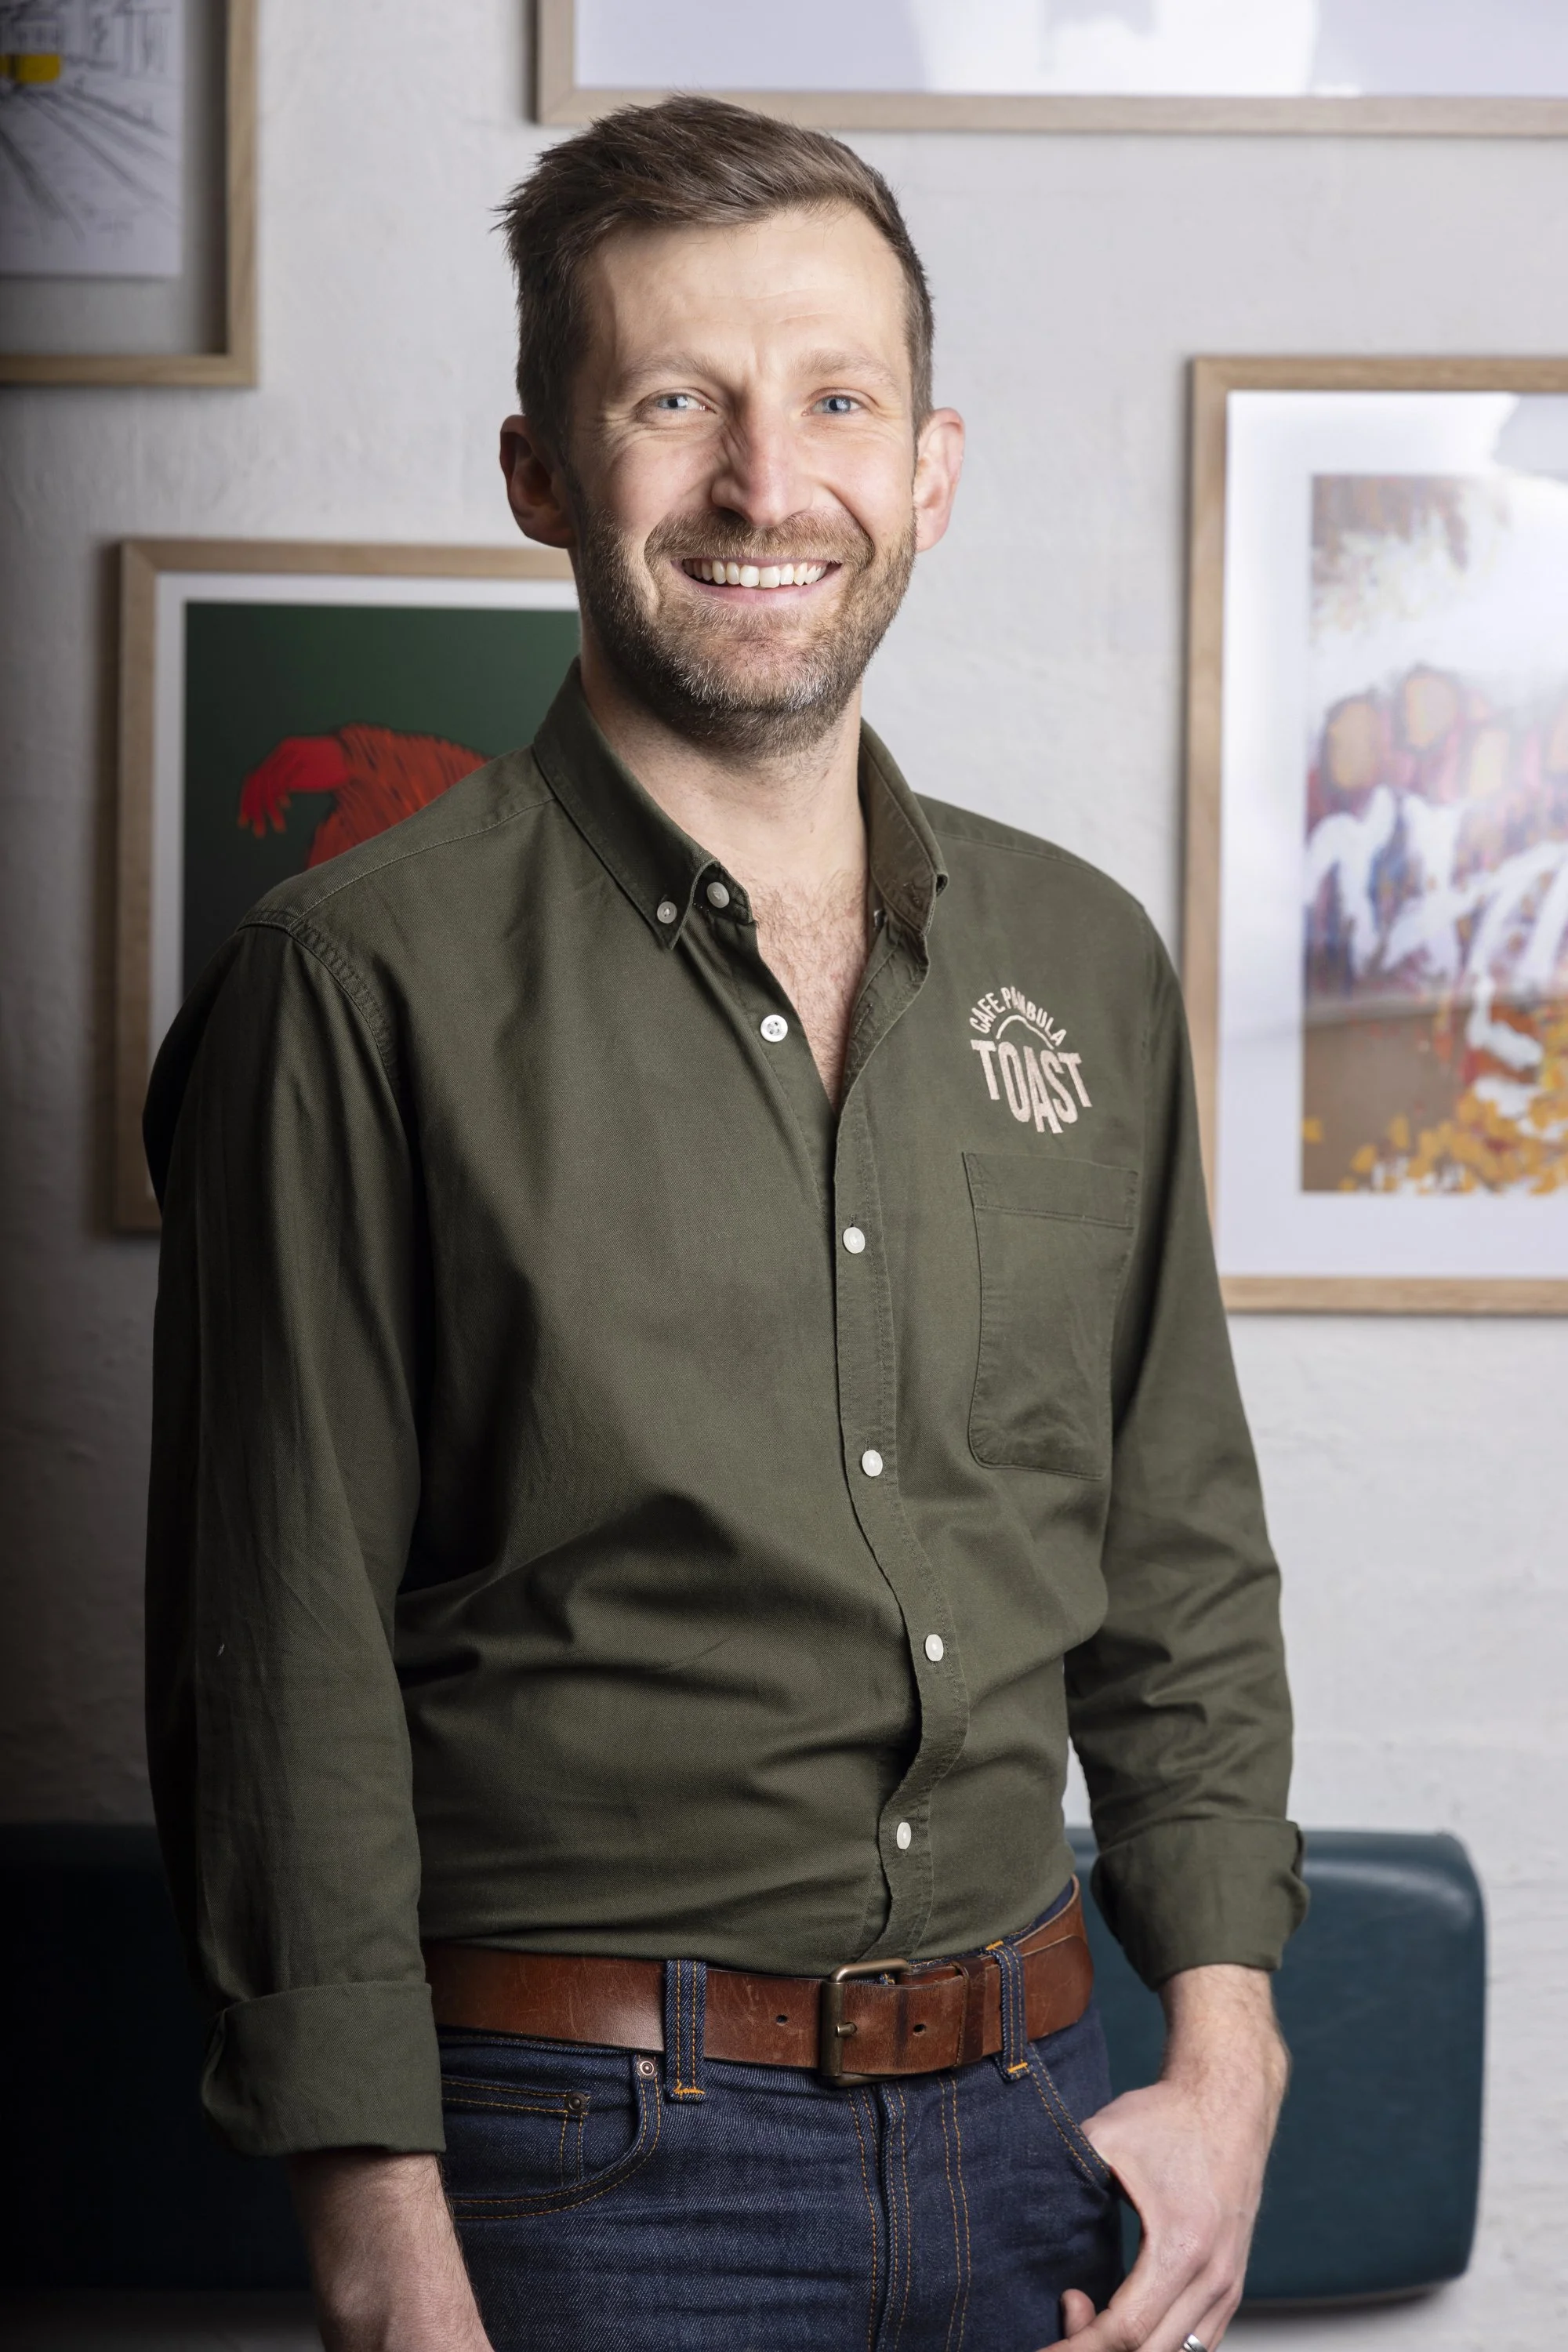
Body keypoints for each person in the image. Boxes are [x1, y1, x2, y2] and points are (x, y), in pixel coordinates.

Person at [143, 96, 1305, 2352]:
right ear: (541, 475)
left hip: (1042, 2133)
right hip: (581, 2173)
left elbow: (1175, 1563)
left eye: (835, 402)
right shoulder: (352, 983)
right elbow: (274, 1677)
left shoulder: (1082, 961)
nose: (771, 488)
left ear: (933, 468)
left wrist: (1227, 2062)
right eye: (677, 405)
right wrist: (397, 2289)